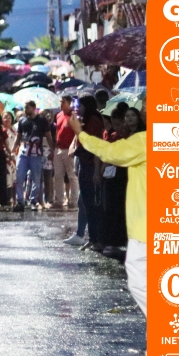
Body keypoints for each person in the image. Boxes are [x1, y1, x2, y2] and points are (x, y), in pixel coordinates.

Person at [68, 102, 147, 356]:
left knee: (143, 285)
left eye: (147, 106)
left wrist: (80, 133)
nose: (142, 109)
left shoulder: (146, 140)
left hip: (147, 229)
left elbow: (110, 152)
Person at [100, 107, 138, 259]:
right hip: (118, 176)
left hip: (132, 175)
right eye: (127, 116)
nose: (129, 119)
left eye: (132, 116)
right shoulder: (116, 136)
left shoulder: (138, 134)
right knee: (116, 208)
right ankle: (116, 241)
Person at [74, 95, 105, 251]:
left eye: (80, 105)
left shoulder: (93, 121)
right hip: (84, 164)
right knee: (86, 202)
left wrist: (96, 171)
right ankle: (92, 238)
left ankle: (96, 239)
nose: (78, 108)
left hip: (91, 166)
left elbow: (94, 146)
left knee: (91, 204)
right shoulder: (86, 120)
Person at [12, 101, 53, 212]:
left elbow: (48, 136)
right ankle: (20, 201)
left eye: (28, 108)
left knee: (36, 178)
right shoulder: (22, 120)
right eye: (25, 108)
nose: (26, 110)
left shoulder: (42, 120)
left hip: (36, 154)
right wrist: (13, 149)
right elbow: (18, 136)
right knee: (19, 177)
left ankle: (33, 201)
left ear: (34, 108)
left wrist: (52, 150)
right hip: (23, 153)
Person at [53, 95, 81, 210]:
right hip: (58, 149)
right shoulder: (58, 115)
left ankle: (74, 200)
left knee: (72, 176)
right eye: (60, 102)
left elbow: (77, 132)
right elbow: (57, 130)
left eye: (63, 102)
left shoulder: (73, 116)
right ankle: (59, 200)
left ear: (69, 103)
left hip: (69, 150)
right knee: (58, 175)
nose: (61, 104)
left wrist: (73, 147)